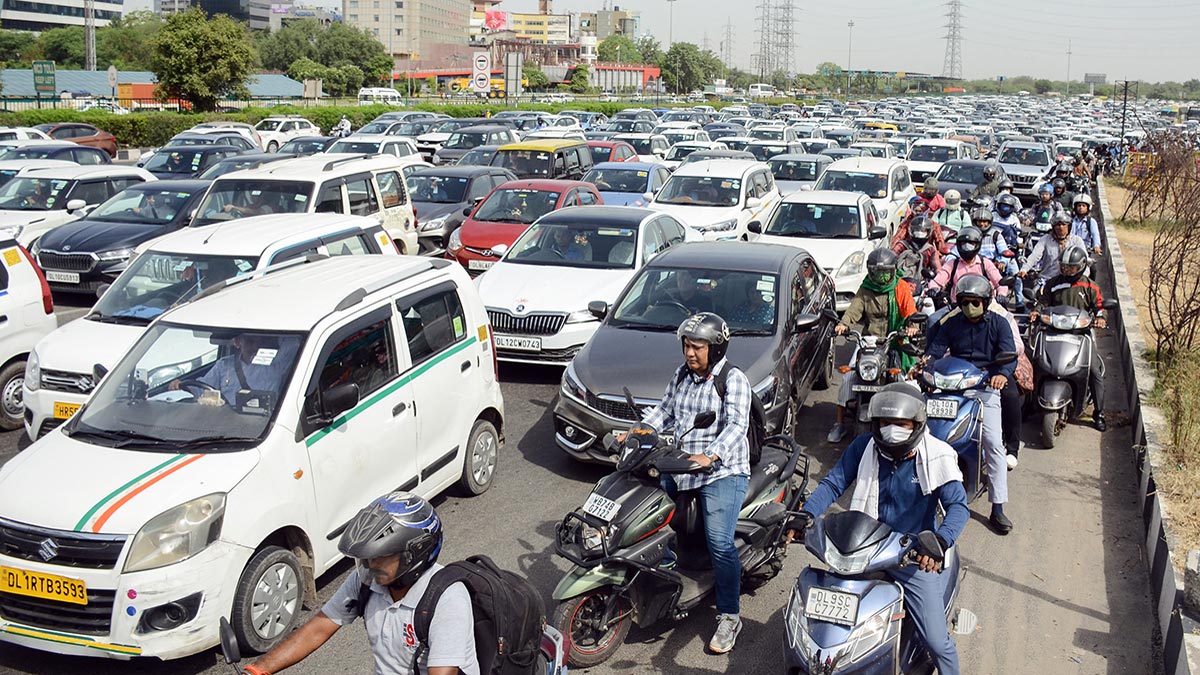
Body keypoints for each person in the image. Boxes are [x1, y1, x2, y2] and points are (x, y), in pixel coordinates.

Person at [794, 382, 968, 675]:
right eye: (886, 423)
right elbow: (833, 483)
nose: (891, 430)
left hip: (912, 556)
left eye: (901, 424)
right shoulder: (864, 447)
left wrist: (939, 540)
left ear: (917, 424)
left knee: (937, 643)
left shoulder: (937, 455)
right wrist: (805, 514)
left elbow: (958, 507)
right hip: (863, 547)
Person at [242, 491, 479, 675]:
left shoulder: (447, 599)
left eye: (381, 557)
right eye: (367, 558)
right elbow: (318, 628)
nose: (371, 564)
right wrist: (258, 669)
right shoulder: (368, 581)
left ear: (415, 554)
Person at [640, 313, 752, 654]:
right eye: (687, 346)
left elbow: (737, 426)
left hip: (722, 471)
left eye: (697, 347)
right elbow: (665, 412)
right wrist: (641, 430)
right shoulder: (682, 375)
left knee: (720, 543)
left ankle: (730, 616)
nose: (690, 353)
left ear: (715, 349)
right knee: (648, 516)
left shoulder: (733, 380)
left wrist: (711, 455)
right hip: (682, 466)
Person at [926, 274, 1017, 534]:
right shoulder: (951, 323)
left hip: (984, 388)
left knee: (993, 443)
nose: (969, 307)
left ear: (985, 302)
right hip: (951, 386)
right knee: (927, 437)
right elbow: (935, 350)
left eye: (975, 302)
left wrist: (1002, 374)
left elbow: (1009, 355)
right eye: (964, 302)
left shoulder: (999, 323)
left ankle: (998, 507)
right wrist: (925, 365)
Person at [827, 249, 919, 443]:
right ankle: (839, 423)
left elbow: (910, 311)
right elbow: (854, 309)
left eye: (884, 273)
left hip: (894, 339)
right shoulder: (866, 288)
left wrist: (912, 326)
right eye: (876, 273)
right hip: (869, 340)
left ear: (893, 271)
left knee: (906, 379)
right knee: (848, 377)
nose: (880, 277)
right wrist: (844, 324)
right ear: (870, 272)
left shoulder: (900, 287)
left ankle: (909, 420)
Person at [1030, 245, 1108, 431]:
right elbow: (1043, 302)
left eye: (1071, 267)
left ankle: (1099, 413)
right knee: (1034, 363)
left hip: (1080, 334)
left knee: (1094, 371)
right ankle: (1028, 404)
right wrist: (1036, 311)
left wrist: (1100, 318)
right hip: (1053, 332)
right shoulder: (1052, 284)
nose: (1067, 270)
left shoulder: (1090, 286)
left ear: (1081, 266)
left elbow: (1100, 307)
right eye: (1064, 266)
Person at [169, 333, 293, 406]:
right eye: (250, 341)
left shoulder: (277, 365)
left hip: (265, 424)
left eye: (261, 341)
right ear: (238, 342)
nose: (256, 346)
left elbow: (294, 343)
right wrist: (180, 386)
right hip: (227, 422)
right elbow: (202, 389)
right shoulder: (224, 366)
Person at [927, 226, 1005, 304]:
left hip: (983, 305)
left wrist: (1001, 294)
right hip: (957, 306)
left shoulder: (985, 263)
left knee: (1004, 312)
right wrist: (933, 288)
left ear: (978, 245)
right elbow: (938, 280)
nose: (967, 247)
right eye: (964, 244)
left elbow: (1000, 282)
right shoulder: (952, 264)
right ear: (958, 245)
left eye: (971, 244)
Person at [1020, 214, 1086, 286]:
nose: (1061, 227)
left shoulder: (1077, 240)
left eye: (1063, 224)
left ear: (1069, 226)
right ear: (1053, 227)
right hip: (1047, 279)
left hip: (1071, 281)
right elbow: (1034, 256)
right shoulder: (1045, 239)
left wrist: (1082, 278)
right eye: (1058, 225)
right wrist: (1024, 269)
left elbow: (1084, 261)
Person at [891, 215, 941, 281]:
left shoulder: (931, 249)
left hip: (922, 282)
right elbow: (891, 258)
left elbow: (937, 266)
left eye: (923, 231)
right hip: (900, 281)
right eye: (916, 231)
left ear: (928, 232)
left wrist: (938, 276)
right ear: (911, 231)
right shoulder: (902, 245)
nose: (919, 234)